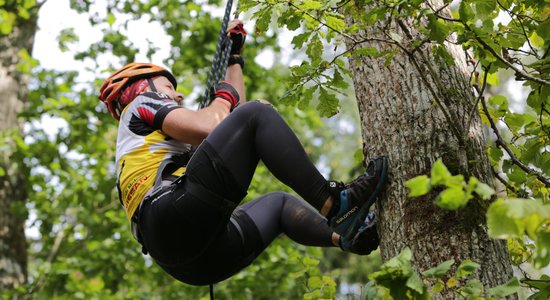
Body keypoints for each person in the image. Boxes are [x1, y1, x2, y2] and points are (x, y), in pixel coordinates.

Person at [98, 19, 389, 286]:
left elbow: (233, 120)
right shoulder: (141, 104)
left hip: (189, 263)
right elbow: (215, 123)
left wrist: (234, 59)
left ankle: (347, 237)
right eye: (167, 87)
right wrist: (222, 99)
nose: (178, 95)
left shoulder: (147, 149)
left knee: (279, 206)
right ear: (142, 88)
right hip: (172, 211)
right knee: (258, 113)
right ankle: (337, 205)